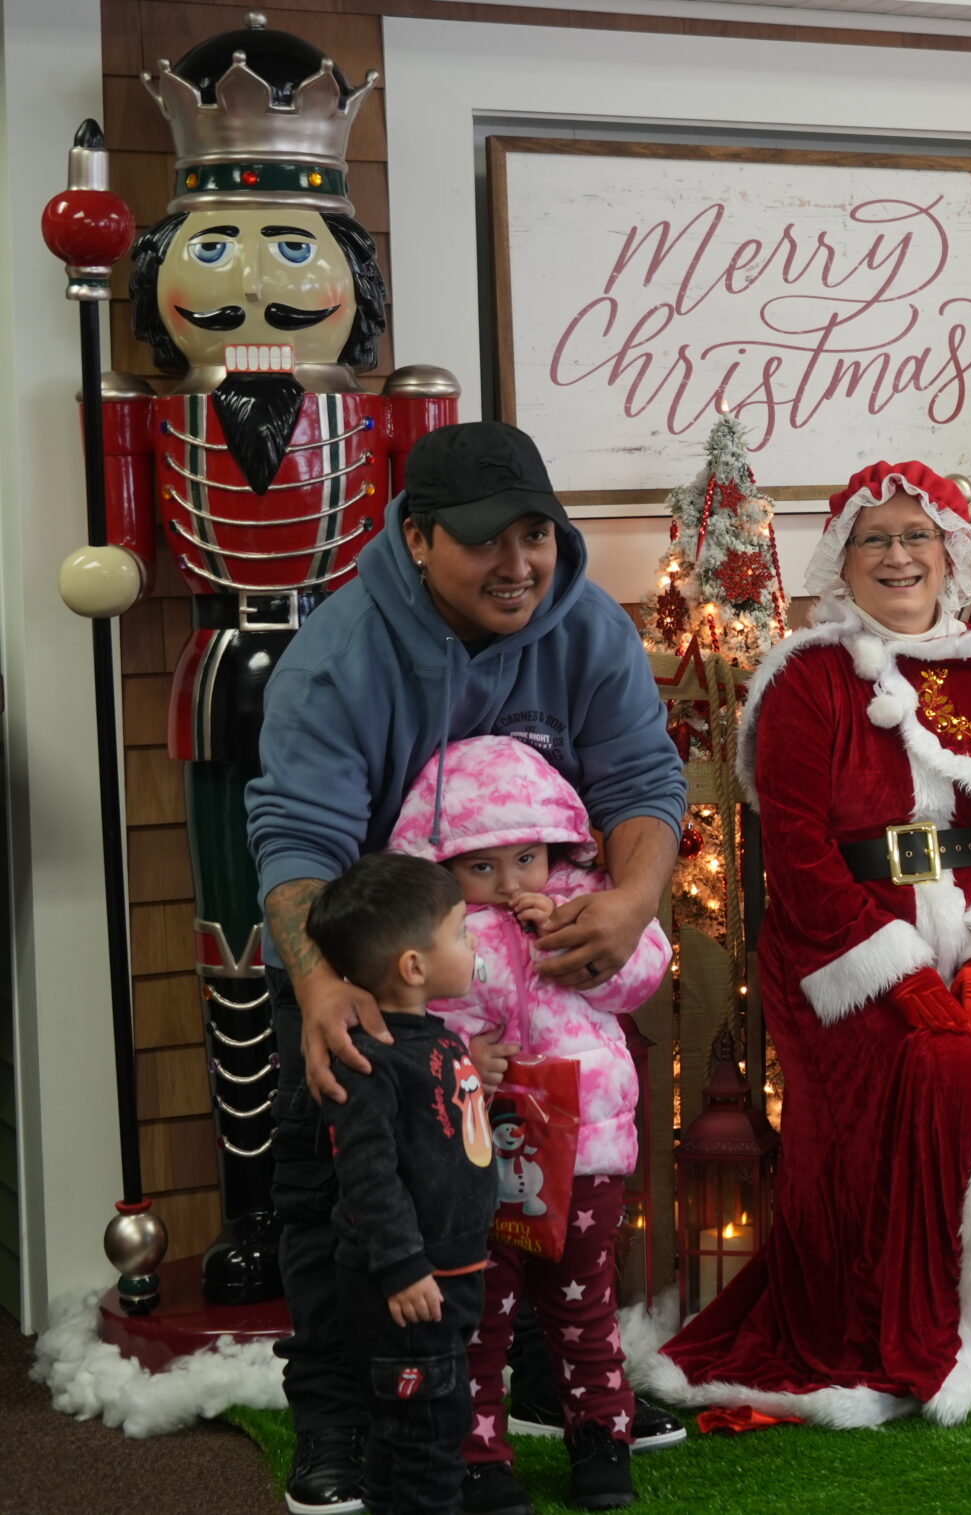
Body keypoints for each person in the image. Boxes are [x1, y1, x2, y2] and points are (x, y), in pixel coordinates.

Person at [245, 421, 687, 1515]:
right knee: (343, 1191)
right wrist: (323, 984)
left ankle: (537, 1374)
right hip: (372, 968)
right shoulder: (340, 656)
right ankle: (336, 1415)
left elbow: (642, 778)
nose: (519, 564)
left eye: (536, 535)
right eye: (487, 541)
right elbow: (299, 839)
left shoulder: (586, 624)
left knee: (540, 1190)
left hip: (533, 980)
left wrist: (629, 903)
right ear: (418, 536)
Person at [645, 461, 971, 1426]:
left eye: (915, 536)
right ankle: (906, 1318)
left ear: (950, 554)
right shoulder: (804, 679)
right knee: (944, 1067)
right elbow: (799, 853)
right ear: (843, 562)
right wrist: (901, 977)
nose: (897, 556)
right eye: (873, 539)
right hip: (839, 953)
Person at [389, 736, 673, 1513]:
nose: (510, 881)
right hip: (480, 1155)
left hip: (586, 1151)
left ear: (555, 844)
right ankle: (478, 1455)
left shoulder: (590, 901)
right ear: (442, 864)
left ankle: (602, 1437)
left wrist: (572, 937)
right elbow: (410, 1022)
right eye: (482, 865)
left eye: (526, 857)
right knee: (481, 1315)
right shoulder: (439, 932)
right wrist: (460, 1056)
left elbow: (640, 978)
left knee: (584, 1308)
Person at [306, 854, 497, 1515]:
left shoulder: (435, 1039)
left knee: (412, 1431)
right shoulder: (369, 1059)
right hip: (408, 1285)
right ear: (414, 966)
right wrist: (402, 1267)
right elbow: (367, 1173)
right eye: (461, 932)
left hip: (449, 1273)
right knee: (427, 1438)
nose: (473, 945)